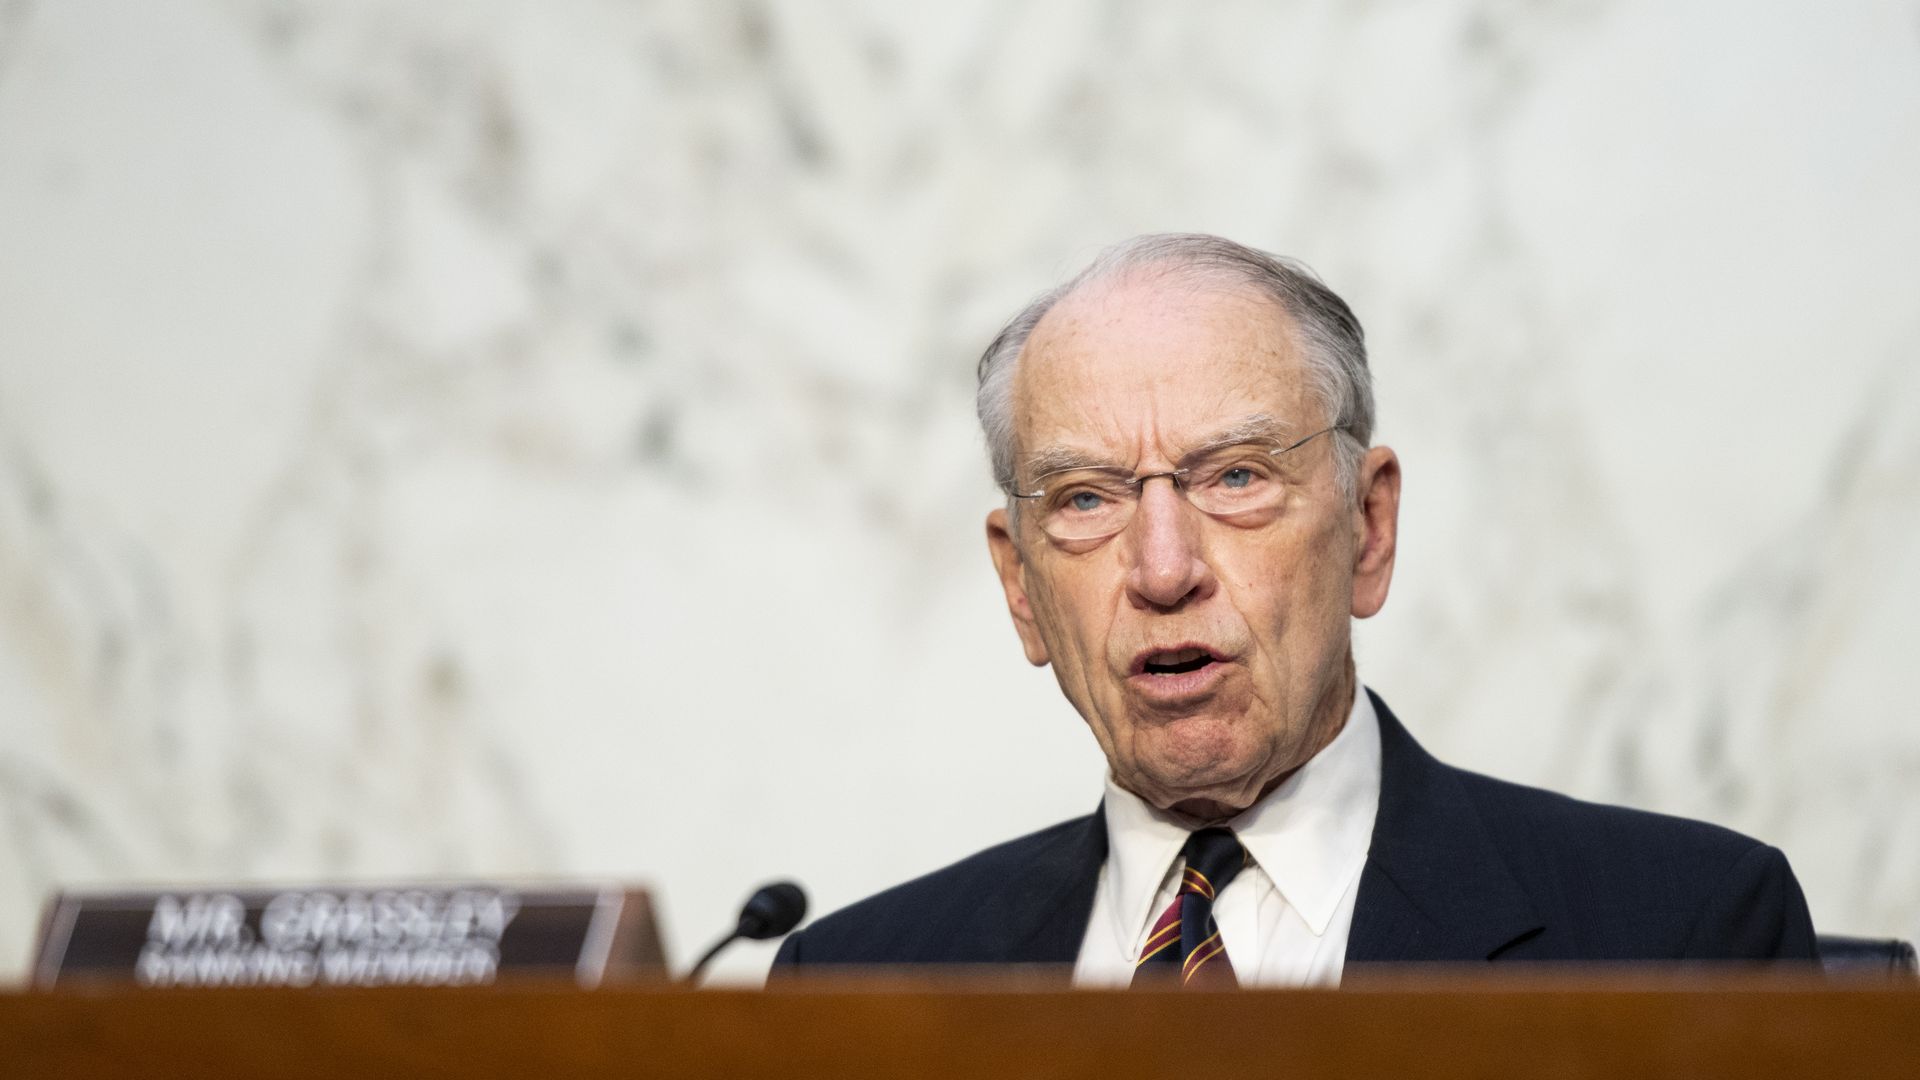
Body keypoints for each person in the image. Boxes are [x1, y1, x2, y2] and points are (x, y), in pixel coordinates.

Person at [773, 234, 1816, 985]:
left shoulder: (1683, 931)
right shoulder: (860, 981)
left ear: (1369, 527)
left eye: (1234, 478)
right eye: (1086, 499)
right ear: (1020, 588)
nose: (1165, 568)